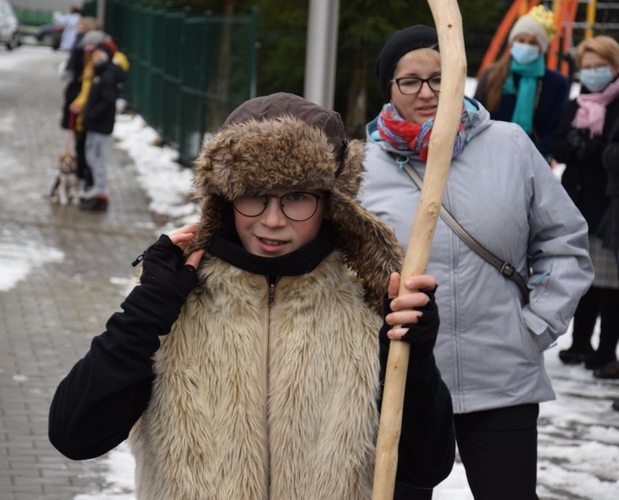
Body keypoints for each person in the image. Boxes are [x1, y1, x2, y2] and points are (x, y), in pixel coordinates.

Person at [50, 92, 456, 497]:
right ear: (225, 198)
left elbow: (426, 467)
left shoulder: (367, 301)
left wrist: (415, 360)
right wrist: (146, 311)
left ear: (331, 203)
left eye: (297, 196)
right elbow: (75, 435)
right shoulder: (174, 299)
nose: (273, 220)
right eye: (254, 196)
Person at [359, 25, 593, 499]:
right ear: (389, 88)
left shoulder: (509, 145)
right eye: (410, 80)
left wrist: (534, 327)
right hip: (408, 381)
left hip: (503, 377)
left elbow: (564, 240)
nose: (427, 92)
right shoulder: (362, 168)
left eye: (440, 77)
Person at [553, 36, 619, 374]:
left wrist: (585, 149)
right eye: (587, 67)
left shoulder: (616, 104)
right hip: (577, 200)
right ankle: (580, 341)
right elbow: (559, 143)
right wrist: (574, 146)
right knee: (584, 277)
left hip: (608, 204)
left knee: (609, 282)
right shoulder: (577, 103)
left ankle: (606, 349)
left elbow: (609, 150)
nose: (593, 73)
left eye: (599, 66)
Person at [474, 5, 570, 160]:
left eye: (532, 43)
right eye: (521, 40)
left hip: (535, 160)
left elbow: (555, 129)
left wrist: (529, 154)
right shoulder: (492, 75)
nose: (526, 46)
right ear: (513, 41)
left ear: (542, 47)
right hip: (491, 155)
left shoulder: (556, 83)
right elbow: (476, 117)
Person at [76, 39, 125, 211]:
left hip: (100, 126)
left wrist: (92, 115)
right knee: (92, 157)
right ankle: (97, 190)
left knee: (99, 160)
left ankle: (101, 195)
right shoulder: (100, 73)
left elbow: (106, 102)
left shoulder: (108, 75)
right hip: (93, 124)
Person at [59, 17, 101, 191]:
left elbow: (86, 84)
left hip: (83, 106)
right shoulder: (83, 49)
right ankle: (83, 176)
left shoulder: (90, 56)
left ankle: (85, 178)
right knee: (81, 143)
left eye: (81, 25)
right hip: (78, 101)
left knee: (85, 146)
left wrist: (79, 101)